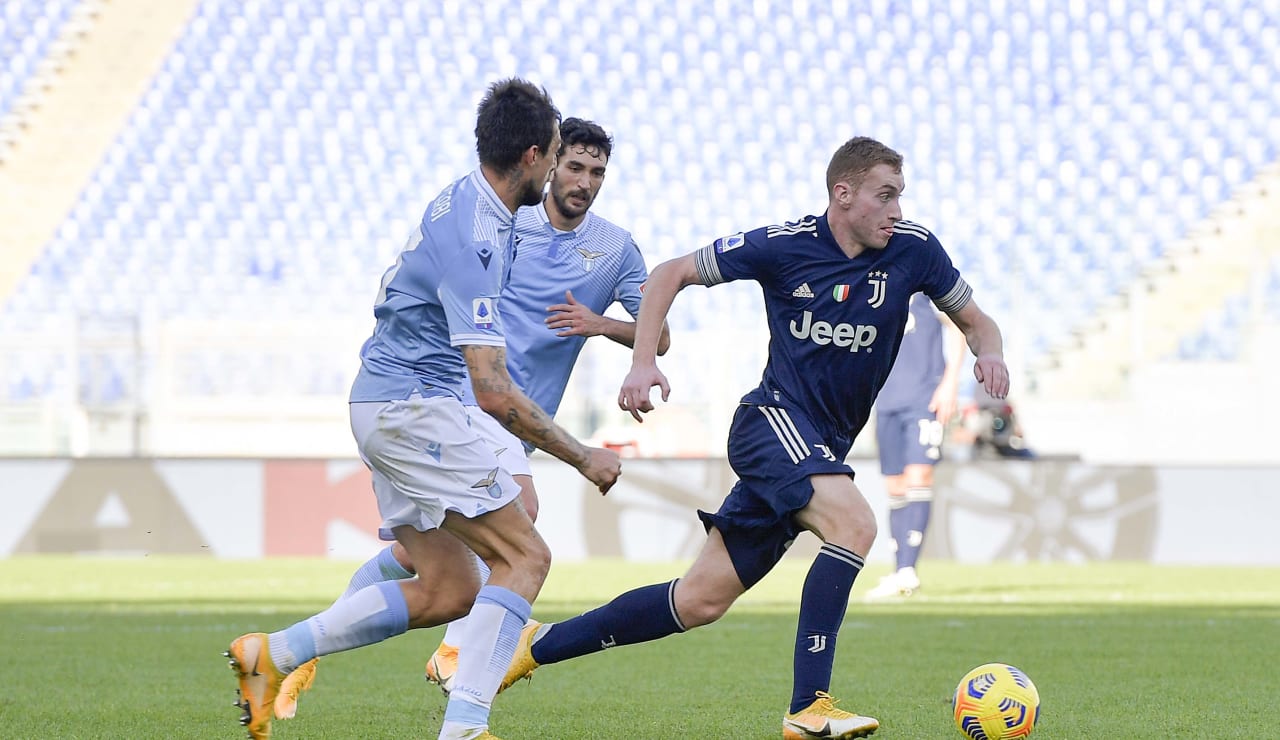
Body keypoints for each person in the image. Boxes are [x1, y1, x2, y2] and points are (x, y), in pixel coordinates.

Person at [498, 136, 1009, 740]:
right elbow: (671, 273)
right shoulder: (784, 245)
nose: (897, 210)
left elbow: (977, 323)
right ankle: (810, 705)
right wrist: (641, 362)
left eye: (901, 196)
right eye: (885, 195)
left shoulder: (915, 250)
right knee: (856, 525)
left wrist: (992, 354)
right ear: (843, 195)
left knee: (696, 603)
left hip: (819, 447)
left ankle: (529, 649)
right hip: (771, 424)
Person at [224, 79, 622, 740]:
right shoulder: (478, 240)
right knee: (526, 557)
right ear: (530, 156)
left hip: (390, 402)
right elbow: (492, 389)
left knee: (448, 589)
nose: (558, 170)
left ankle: (276, 655)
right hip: (415, 409)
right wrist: (583, 456)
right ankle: (465, 726)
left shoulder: (478, 204)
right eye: (555, 155)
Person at [862, 293, 965, 600]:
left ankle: (908, 569)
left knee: (919, 477)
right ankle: (900, 570)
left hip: (925, 396)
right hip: (886, 398)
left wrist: (950, 383)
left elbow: (959, 324)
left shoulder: (923, 284)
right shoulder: (872, 286)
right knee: (894, 485)